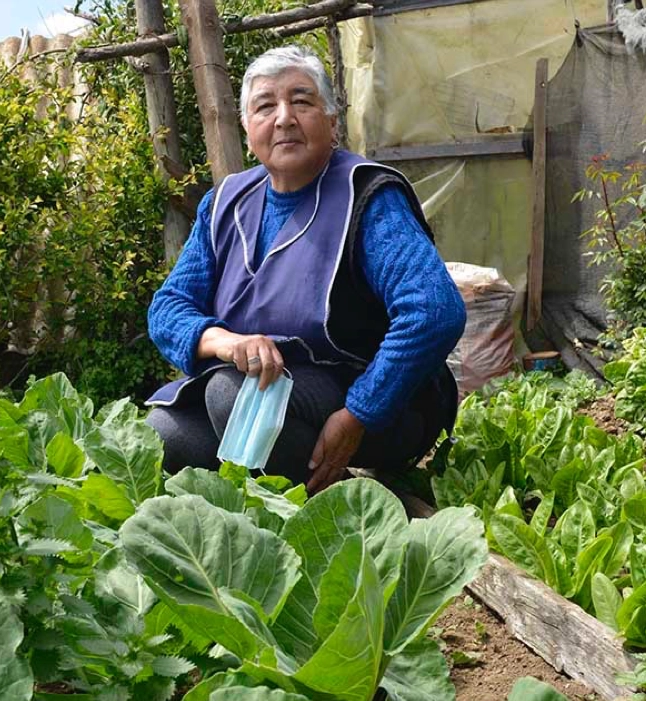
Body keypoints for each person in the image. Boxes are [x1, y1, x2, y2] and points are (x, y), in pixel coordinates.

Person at [145, 45, 465, 493]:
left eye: (301, 101)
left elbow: (434, 311)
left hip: (375, 398)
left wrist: (359, 414)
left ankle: (318, 509)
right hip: (269, 393)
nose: (283, 118)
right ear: (246, 126)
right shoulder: (223, 204)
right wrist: (226, 341)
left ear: (332, 121)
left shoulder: (366, 197)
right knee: (164, 434)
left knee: (235, 395)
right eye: (265, 106)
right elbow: (168, 308)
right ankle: (268, 494)